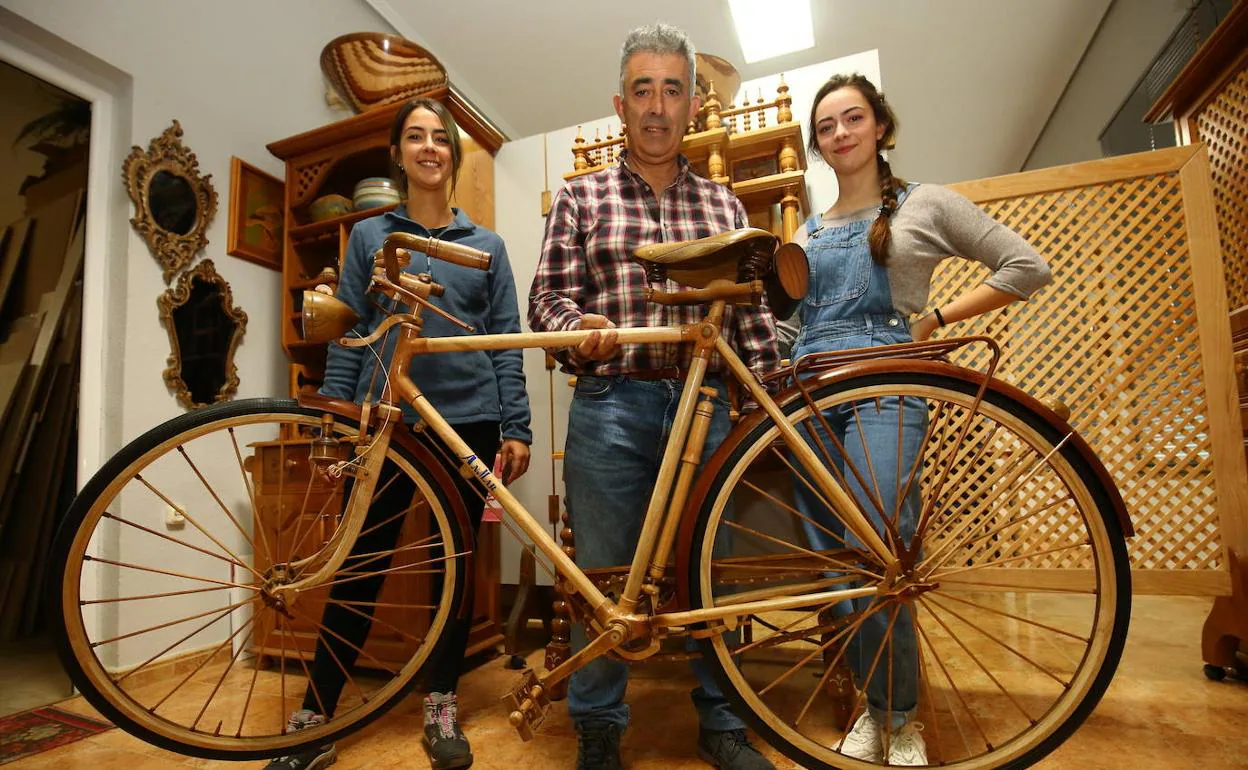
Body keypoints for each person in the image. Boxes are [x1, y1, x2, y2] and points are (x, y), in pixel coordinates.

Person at [528, 22, 779, 770]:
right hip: (610, 405)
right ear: (620, 103)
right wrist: (580, 328)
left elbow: (755, 318)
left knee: (712, 568)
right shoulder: (579, 197)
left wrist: (770, 407)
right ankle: (599, 728)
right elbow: (545, 300)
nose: (658, 106)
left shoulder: (727, 209)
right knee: (599, 575)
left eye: (673, 89)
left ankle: (724, 721)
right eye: (644, 89)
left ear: (695, 104)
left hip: (708, 413)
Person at [787, 73, 1052, 766]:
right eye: (826, 126)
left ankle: (901, 719)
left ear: (880, 126)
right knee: (838, 566)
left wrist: (935, 318)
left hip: (885, 382)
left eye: (852, 118)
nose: (840, 133)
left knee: (877, 546)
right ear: (816, 145)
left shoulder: (924, 204)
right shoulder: (806, 230)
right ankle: (877, 706)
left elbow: (1026, 266)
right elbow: (788, 324)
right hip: (809, 395)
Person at [266, 97, 532, 770]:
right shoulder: (369, 239)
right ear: (399, 153)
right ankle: (316, 714)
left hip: (465, 423)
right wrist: (342, 416)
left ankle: (440, 703)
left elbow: (505, 343)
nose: (429, 147)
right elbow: (353, 331)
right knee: (360, 563)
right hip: (386, 424)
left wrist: (516, 426)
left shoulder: (487, 246)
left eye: (439, 137)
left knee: (455, 569)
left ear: (452, 154)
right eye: (415, 137)